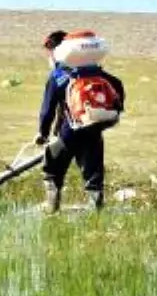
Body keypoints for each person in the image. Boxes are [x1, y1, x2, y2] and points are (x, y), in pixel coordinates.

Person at [35, 29, 126, 212]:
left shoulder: (58, 77)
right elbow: (118, 93)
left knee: (52, 172)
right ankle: (96, 211)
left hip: (68, 134)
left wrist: (42, 134)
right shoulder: (100, 75)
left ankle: (52, 208)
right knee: (93, 176)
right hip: (93, 133)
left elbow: (47, 111)